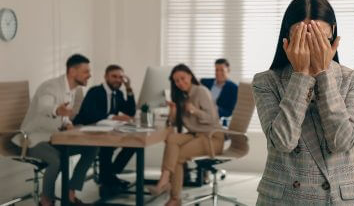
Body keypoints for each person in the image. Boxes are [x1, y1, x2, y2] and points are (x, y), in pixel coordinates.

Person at [252, 0, 354, 205]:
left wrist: (323, 74)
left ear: (333, 33)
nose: (311, 47)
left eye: (319, 39)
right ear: (287, 38)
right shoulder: (266, 82)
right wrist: (301, 76)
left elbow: (342, 142)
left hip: (336, 197)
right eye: (303, 39)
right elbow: (283, 141)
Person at [12, 54, 97, 206]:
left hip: (55, 138)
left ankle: (70, 193)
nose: (89, 75)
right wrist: (58, 110)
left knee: (92, 147)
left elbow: (64, 116)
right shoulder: (50, 86)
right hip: (33, 139)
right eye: (86, 71)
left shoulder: (73, 91)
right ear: (72, 71)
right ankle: (46, 201)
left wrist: (67, 122)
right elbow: (45, 106)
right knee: (56, 160)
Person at [148, 64, 225, 206]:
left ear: (190, 76)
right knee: (171, 138)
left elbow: (212, 118)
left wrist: (195, 111)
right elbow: (175, 124)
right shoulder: (182, 96)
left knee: (178, 156)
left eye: (183, 78)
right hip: (195, 135)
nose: (180, 83)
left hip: (212, 138)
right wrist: (173, 110)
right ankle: (165, 181)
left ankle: (173, 196)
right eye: (176, 81)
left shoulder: (201, 91)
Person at [74, 64, 136, 198]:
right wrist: (113, 117)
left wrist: (129, 88)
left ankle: (108, 176)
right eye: (114, 76)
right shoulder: (95, 91)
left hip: (106, 131)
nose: (118, 80)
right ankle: (108, 179)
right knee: (106, 147)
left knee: (134, 144)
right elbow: (90, 114)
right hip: (86, 131)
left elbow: (131, 111)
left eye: (120, 77)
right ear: (106, 77)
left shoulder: (118, 94)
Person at [201, 58, 238, 126]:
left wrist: (214, 108)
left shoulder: (234, 88)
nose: (218, 73)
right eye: (216, 70)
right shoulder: (204, 82)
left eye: (221, 70)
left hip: (218, 122)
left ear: (228, 70)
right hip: (200, 117)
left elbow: (229, 112)